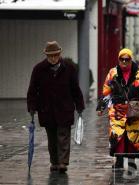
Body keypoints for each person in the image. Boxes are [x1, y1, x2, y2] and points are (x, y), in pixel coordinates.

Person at [27, 41, 85, 173]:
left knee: (63, 135)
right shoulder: (38, 69)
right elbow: (32, 90)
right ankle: (54, 162)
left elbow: (75, 88)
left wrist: (79, 105)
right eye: (50, 56)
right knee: (52, 137)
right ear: (46, 56)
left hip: (65, 108)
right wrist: (32, 106)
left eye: (55, 55)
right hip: (46, 109)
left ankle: (63, 162)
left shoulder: (69, 68)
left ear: (59, 54)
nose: (53, 58)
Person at [97, 48, 139, 172]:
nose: (124, 62)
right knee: (117, 136)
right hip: (118, 110)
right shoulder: (113, 73)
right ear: (118, 60)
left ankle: (132, 161)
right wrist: (101, 107)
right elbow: (106, 91)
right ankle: (119, 160)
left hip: (134, 110)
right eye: (121, 59)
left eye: (127, 59)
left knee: (134, 136)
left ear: (131, 60)